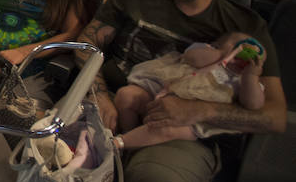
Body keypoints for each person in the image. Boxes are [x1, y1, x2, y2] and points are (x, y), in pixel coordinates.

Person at [75, 0, 285, 182]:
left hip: (186, 126)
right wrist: (100, 96)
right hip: (115, 98)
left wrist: (197, 110)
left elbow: (274, 117)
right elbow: (88, 43)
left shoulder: (243, 27)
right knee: (48, 151)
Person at [113, 32, 267, 150]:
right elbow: (191, 58)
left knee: (165, 129)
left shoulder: (244, 81)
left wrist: (251, 76)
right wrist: (221, 55)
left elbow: (254, 104)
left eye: (256, 56)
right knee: (126, 96)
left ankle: (120, 144)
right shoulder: (207, 52)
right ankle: (129, 131)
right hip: (158, 94)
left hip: (190, 121)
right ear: (217, 44)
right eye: (238, 44)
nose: (246, 52)